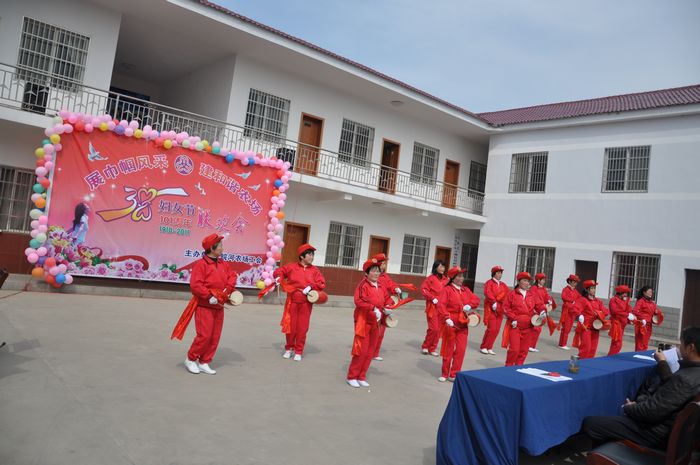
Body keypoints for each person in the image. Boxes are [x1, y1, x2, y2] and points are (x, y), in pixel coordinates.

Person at [582, 326, 700, 450]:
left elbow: (651, 412)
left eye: (681, 344)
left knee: (591, 423)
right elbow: (671, 391)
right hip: (668, 430)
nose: (679, 348)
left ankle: (607, 454)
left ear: (691, 348)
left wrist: (629, 408)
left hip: (655, 434)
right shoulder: (690, 374)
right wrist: (662, 364)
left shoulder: (684, 379)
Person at [184, 233, 238, 375]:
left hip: (218, 306)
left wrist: (227, 290)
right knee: (204, 336)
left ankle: (204, 361)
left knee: (215, 336)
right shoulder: (201, 265)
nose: (222, 248)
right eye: (220, 246)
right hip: (204, 306)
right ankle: (191, 359)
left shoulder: (223, 264)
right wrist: (208, 296)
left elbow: (232, 276)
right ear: (212, 248)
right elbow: (195, 285)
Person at [273, 243, 326, 361]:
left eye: (312, 255)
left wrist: (311, 286)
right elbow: (279, 271)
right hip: (292, 302)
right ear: (302, 256)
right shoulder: (292, 267)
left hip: (306, 304)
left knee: (302, 328)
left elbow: (322, 283)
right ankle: (289, 348)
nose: (312, 257)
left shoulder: (315, 270)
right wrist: (278, 277)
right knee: (290, 326)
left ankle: (298, 350)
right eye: (309, 255)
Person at [347, 259, 394, 388]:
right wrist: (373, 308)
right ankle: (352, 376)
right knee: (361, 350)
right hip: (364, 321)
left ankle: (361, 376)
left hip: (376, 322)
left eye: (378, 271)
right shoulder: (363, 285)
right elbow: (358, 300)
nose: (376, 273)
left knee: (370, 350)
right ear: (367, 273)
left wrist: (389, 306)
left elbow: (388, 298)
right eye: (373, 271)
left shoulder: (381, 286)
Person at [437, 267, 480, 382]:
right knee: (449, 349)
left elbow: (476, 300)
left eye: (462, 276)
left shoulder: (466, 290)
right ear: (453, 278)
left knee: (461, 350)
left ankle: (454, 373)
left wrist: (470, 305)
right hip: (451, 322)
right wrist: (446, 318)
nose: (462, 278)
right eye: (459, 276)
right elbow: (441, 305)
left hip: (463, 323)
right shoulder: (447, 290)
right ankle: (445, 373)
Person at [502, 272, 548, 366]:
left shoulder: (532, 294)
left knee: (523, 351)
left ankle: (518, 368)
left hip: (528, 327)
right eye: (524, 280)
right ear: (519, 281)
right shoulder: (512, 294)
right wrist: (513, 318)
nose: (526, 283)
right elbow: (505, 308)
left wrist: (543, 311)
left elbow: (539, 305)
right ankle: (508, 367)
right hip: (515, 326)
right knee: (514, 350)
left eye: (528, 281)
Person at [371, 253, 403, 361]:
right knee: (373, 332)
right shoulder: (373, 276)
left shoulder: (385, 276)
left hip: (385, 307)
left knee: (381, 332)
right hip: (375, 308)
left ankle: (375, 353)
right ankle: (368, 351)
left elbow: (391, 284)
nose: (385, 265)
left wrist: (396, 288)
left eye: (385, 263)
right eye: (383, 263)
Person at [574, 280, 610, 359]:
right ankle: (581, 363)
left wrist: (600, 313)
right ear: (587, 289)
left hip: (596, 327)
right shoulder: (583, 300)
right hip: (586, 327)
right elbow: (575, 308)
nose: (594, 290)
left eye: (594, 288)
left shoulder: (598, 301)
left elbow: (606, 311)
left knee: (593, 349)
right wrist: (580, 315)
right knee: (586, 348)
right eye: (592, 288)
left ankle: (588, 364)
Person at [479, 265, 509, 355]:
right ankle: (484, 346)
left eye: (501, 273)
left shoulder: (503, 285)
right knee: (491, 329)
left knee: (496, 330)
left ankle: (489, 347)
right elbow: (488, 292)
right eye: (498, 273)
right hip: (491, 308)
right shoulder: (489, 283)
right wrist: (493, 301)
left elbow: (508, 294)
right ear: (494, 273)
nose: (500, 274)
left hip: (500, 309)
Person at [421, 260, 448, 356]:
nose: (442, 269)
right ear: (435, 268)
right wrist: (432, 298)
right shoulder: (430, 279)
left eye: (443, 267)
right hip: (432, 307)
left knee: (439, 330)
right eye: (440, 266)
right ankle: (425, 346)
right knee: (433, 328)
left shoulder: (446, 280)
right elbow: (424, 289)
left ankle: (432, 348)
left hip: (443, 308)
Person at [529, 273, 556, 353]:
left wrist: (549, 301)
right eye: (543, 280)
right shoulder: (533, 288)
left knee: (538, 329)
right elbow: (534, 299)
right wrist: (540, 308)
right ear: (538, 280)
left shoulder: (543, 289)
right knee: (535, 329)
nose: (544, 281)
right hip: (535, 310)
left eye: (544, 280)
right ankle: (529, 345)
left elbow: (546, 296)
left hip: (541, 310)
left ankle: (532, 346)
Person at [607, 285, 636, 355]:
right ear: (620, 292)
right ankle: (611, 356)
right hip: (616, 323)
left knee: (615, 342)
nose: (626, 295)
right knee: (617, 343)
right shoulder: (614, 300)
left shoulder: (624, 300)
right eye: (625, 293)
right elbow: (615, 311)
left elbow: (628, 308)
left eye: (626, 293)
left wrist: (631, 314)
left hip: (622, 324)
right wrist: (627, 315)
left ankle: (611, 356)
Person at [557, 274, 581, 350]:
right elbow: (564, 297)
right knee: (566, 328)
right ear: (570, 281)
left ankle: (561, 343)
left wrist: (576, 302)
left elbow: (580, 298)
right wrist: (572, 301)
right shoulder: (566, 289)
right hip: (567, 311)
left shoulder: (575, 291)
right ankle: (563, 344)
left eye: (576, 282)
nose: (575, 283)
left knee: (568, 327)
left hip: (572, 311)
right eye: (574, 282)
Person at [633, 286, 659, 351]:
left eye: (651, 292)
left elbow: (655, 312)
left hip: (649, 325)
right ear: (644, 293)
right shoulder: (640, 301)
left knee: (645, 343)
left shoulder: (652, 303)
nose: (651, 293)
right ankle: (638, 356)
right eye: (649, 291)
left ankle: (643, 355)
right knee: (640, 343)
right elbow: (635, 311)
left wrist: (656, 313)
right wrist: (642, 318)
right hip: (642, 325)